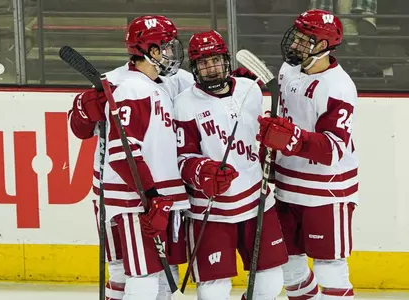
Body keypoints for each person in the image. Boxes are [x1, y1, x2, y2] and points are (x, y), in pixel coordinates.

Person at [68, 15, 189, 300]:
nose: (174, 52)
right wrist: (84, 109)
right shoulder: (127, 86)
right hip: (133, 197)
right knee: (140, 276)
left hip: (149, 194)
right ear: (151, 50)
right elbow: (115, 151)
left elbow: (206, 88)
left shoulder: (169, 80)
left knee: (146, 273)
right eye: (167, 46)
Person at [173, 30, 289, 300]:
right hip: (210, 209)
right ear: (195, 68)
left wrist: (277, 137)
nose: (211, 69)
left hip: (256, 200)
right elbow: (182, 157)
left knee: (270, 282)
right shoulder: (184, 104)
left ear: (226, 61)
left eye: (215, 61)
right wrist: (201, 172)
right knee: (213, 292)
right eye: (203, 63)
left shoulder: (251, 91)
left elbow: (266, 138)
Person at [257, 9, 359, 300]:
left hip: (326, 190)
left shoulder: (338, 87)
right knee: (289, 266)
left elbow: (334, 148)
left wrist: (292, 138)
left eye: (306, 39)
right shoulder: (288, 70)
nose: (296, 44)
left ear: (324, 46)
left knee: (331, 272)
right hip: (287, 187)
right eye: (297, 36)